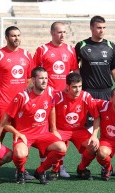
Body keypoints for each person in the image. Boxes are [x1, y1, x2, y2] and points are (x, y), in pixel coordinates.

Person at [0, 67, 67, 185]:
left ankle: (40, 171)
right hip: (24, 134)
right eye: (41, 78)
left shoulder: (50, 92)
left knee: (62, 148)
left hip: (43, 134)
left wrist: (53, 129)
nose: (44, 81)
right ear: (33, 80)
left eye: (46, 78)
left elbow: (52, 108)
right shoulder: (22, 96)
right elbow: (6, 118)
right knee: (19, 154)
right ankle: (20, 171)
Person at [0, 25, 34, 181]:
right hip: (3, 105)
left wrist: (22, 93)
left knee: (20, 138)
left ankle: (21, 170)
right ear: (6, 37)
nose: (16, 38)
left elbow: (30, 78)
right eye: (13, 35)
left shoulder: (26, 55)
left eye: (18, 35)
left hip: (21, 106)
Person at [75, 15, 115, 176]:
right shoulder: (81, 45)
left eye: (103, 27)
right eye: (98, 27)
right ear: (91, 28)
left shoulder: (110, 45)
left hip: (106, 92)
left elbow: (114, 69)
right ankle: (83, 165)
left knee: (108, 130)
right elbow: (75, 69)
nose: (101, 30)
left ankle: (105, 165)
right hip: (88, 92)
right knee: (88, 130)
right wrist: (79, 89)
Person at [33, 21, 79, 178]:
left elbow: (74, 72)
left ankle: (59, 166)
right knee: (43, 130)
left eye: (64, 32)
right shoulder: (42, 50)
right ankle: (43, 162)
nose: (62, 35)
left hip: (64, 99)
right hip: (46, 98)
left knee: (62, 131)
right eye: (59, 32)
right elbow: (34, 73)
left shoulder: (70, 50)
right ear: (52, 33)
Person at [51, 73, 100, 181]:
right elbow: (50, 108)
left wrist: (95, 135)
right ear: (67, 86)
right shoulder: (58, 96)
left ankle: (82, 169)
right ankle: (56, 169)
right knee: (54, 143)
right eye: (74, 87)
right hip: (61, 130)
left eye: (79, 86)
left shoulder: (86, 96)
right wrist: (54, 130)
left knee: (93, 146)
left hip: (79, 130)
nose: (78, 89)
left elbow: (97, 117)